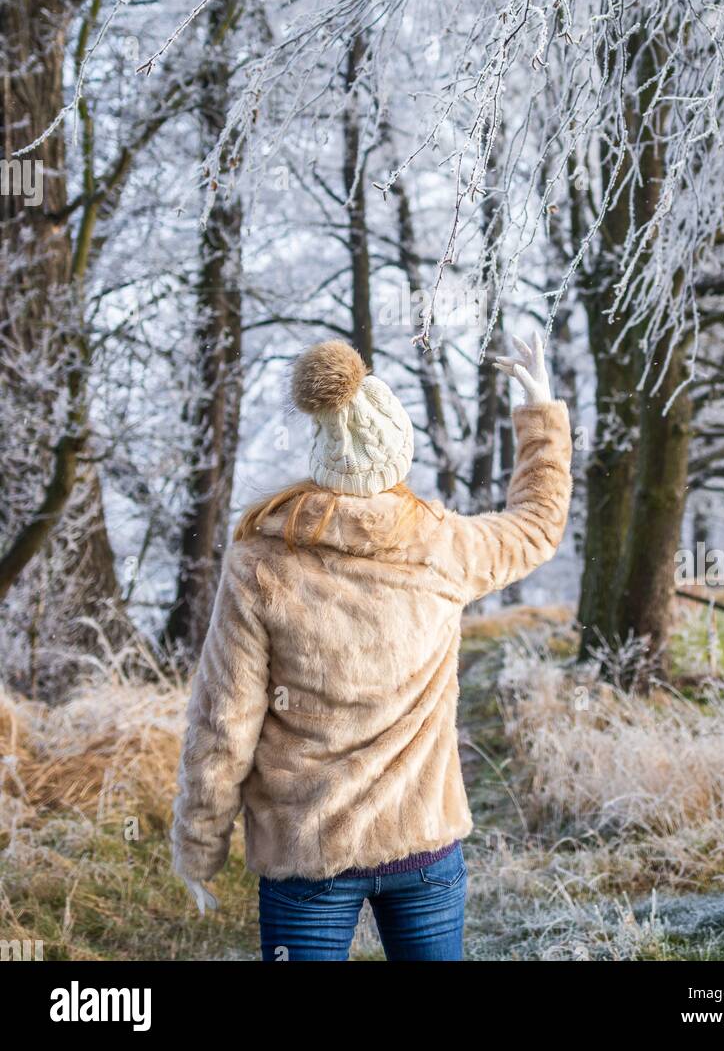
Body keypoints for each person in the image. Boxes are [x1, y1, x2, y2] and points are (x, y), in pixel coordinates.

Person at [171, 331, 572, 961]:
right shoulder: (446, 547)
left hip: (306, 855)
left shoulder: (260, 560)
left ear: (322, 452)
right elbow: (537, 526)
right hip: (424, 845)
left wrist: (200, 844)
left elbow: (224, 720)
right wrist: (541, 415)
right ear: (398, 453)